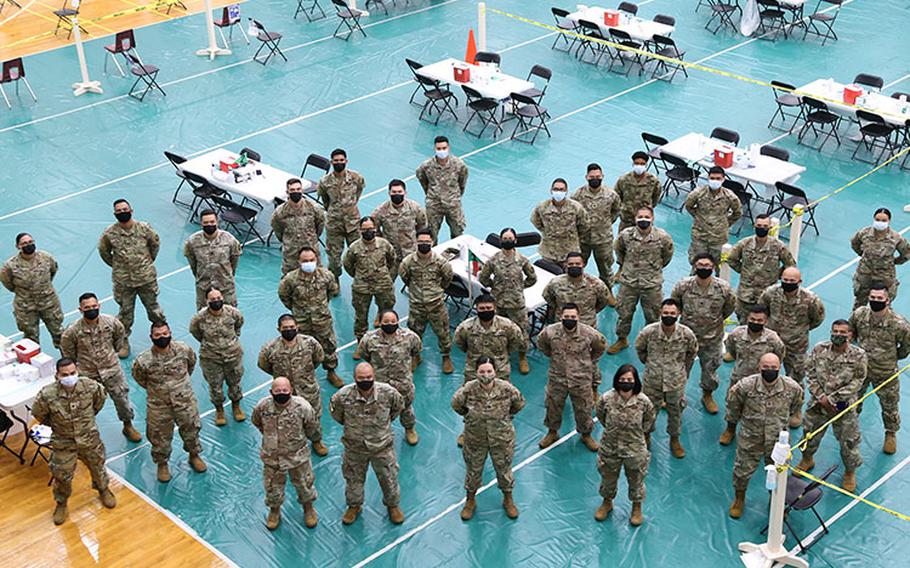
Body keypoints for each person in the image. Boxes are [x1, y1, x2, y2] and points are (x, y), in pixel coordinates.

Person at [31, 358, 116, 525]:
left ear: (77, 371)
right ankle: (61, 503)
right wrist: (59, 425)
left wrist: (86, 421)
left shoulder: (90, 386)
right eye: (65, 375)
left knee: (98, 466)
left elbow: (99, 402)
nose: (69, 377)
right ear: (57, 375)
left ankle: (103, 490)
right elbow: (39, 414)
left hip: (89, 438)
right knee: (61, 475)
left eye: (72, 373)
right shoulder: (47, 394)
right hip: (64, 442)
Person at [726, 353, 803, 519]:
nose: (770, 371)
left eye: (774, 368)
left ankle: (776, 501)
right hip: (750, 437)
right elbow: (733, 405)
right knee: (742, 471)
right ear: (758, 367)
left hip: (778, 441)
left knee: (780, 473)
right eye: (766, 367)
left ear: (780, 367)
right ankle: (739, 499)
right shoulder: (745, 386)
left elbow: (796, 406)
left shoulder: (792, 387)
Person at [330, 362, 406, 525]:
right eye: (361, 378)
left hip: (382, 447)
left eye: (369, 377)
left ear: (374, 377)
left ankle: (393, 505)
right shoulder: (342, 396)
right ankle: (354, 506)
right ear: (354, 379)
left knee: (389, 478)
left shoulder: (388, 393)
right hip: (355, 448)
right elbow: (337, 415)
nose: (365, 380)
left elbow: (397, 408)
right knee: (353, 479)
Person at [451, 357, 526, 520]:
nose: (486, 375)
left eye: (489, 371)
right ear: (476, 372)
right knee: (473, 470)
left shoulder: (507, 389)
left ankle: (508, 500)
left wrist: (504, 418)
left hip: (501, 438)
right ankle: (470, 501)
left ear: (495, 372)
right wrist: (470, 418)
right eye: (482, 371)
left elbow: (519, 404)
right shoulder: (468, 390)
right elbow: (456, 404)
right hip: (475, 439)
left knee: (504, 470)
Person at [796, 320, 866, 492]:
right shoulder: (820, 349)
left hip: (844, 405)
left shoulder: (858, 355)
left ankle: (850, 472)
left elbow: (858, 381)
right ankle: (807, 459)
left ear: (850, 335)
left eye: (843, 332)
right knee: (809, 434)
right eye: (835, 331)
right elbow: (810, 373)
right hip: (818, 403)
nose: (838, 335)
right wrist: (821, 397)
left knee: (849, 441)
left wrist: (833, 399)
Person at [60, 292, 141, 442]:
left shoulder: (111, 323)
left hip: (111, 369)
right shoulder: (72, 331)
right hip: (88, 374)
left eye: (94, 306)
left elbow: (119, 339)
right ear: (80, 309)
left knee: (122, 399)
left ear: (99, 306)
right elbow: (68, 353)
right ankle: (88, 432)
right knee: (86, 405)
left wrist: (111, 355)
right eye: (87, 307)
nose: (91, 309)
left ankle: (128, 426)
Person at [132, 321, 206, 483]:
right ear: (151, 337)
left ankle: (194, 455)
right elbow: (140, 378)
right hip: (159, 406)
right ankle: (162, 464)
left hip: (185, 401)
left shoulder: (183, 350)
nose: (162, 337)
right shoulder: (143, 360)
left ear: (170, 333)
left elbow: (191, 365)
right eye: (157, 335)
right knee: (159, 436)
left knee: (191, 429)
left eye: (165, 334)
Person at [98, 199, 166, 358]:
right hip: (124, 281)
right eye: (119, 211)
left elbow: (155, 245)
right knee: (125, 313)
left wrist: (146, 262)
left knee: (154, 310)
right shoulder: (109, 233)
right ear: (115, 214)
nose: (123, 212)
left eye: (125, 209)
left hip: (146, 279)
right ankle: (123, 342)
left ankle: (161, 335)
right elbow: (104, 252)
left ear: (131, 210)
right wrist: (118, 267)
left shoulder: (144, 228)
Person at [758, 266, 825, 427]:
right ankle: (760, 405)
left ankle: (795, 409)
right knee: (764, 373)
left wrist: (799, 331)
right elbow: (762, 310)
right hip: (772, 343)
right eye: (785, 280)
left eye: (792, 281)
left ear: (799, 282)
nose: (787, 283)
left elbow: (817, 319)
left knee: (796, 378)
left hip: (796, 346)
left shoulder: (811, 300)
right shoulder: (771, 293)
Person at [251, 376, 321, 530]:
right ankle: (274, 511)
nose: (281, 393)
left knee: (305, 484)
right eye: (277, 391)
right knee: (272, 488)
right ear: (271, 392)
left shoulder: (303, 407)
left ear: (291, 391)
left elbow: (311, 426)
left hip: (298, 456)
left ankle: (308, 509)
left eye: (284, 390)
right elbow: (257, 422)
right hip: (272, 457)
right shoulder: (263, 407)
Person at [671, 253, 735, 414]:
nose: (704, 268)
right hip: (687, 338)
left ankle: (707, 395)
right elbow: (675, 305)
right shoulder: (683, 286)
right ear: (694, 266)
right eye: (700, 265)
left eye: (707, 266)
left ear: (713, 268)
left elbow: (728, 308)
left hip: (712, 339)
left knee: (710, 371)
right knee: (680, 369)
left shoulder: (723, 289)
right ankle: (676, 396)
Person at [537, 303, 607, 452]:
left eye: (573, 317)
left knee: (583, 408)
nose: (569, 319)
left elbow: (600, 347)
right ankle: (552, 432)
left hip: (581, 378)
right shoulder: (550, 332)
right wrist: (554, 357)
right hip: (557, 377)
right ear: (561, 316)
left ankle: (586, 434)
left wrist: (587, 361)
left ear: (578, 317)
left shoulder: (589, 333)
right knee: (553, 406)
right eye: (566, 317)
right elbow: (542, 344)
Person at [849, 284, 910, 454]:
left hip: (885, 371)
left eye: (879, 299)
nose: (875, 301)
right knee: (852, 400)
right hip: (860, 369)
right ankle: (851, 428)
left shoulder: (898, 324)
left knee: (889, 404)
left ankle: (890, 433)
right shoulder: (860, 314)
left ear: (887, 300)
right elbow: (851, 332)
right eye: (873, 298)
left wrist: (892, 358)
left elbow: (906, 346)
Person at [258, 314, 329, 457]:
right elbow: (263, 364)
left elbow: (318, 358)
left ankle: (316, 441)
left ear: (297, 327)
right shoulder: (270, 348)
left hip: (308, 390)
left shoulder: (310, 343)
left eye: (291, 327)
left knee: (313, 418)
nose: (289, 330)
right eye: (285, 328)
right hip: (284, 393)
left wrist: (305, 376)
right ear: (279, 329)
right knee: (286, 421)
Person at [635, 298, 697, 459]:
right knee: (648, 410)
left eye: (672, 313)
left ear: (679, 314)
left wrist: (682, 371)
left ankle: (674, 439)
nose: (668, 316)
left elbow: (691, 353)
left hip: (675, 381)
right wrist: (651, 365)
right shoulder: (648, 332)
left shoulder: (686, 334)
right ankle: (646, 435)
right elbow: (640, 350)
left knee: (675, 411)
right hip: (652, 380)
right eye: (665, 313)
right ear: (660, 313)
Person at [594, 364, 656, 526]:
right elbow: (601, 415)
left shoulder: (643, 402)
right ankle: (607, 503)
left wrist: (635, 435)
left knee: (636, 479)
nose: (626, 382)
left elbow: (649, 421)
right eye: (622, 379)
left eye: (629, 379)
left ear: (635, 382)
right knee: (608, 478)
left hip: (634, 449)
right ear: (616, 380)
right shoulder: (607, 398)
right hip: (610, 447)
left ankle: (636, 508)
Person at [610, 206, 674, 354]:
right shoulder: (626, 235)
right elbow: (619, 251)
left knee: (653, 315)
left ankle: (651, 343)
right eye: (640, 217)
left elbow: (667, 256)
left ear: (652, 219)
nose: (643, 220)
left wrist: (653, 270)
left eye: (647, 217)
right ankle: (622, 340)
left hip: (651, 284)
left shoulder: (663, 237)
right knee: (624, 313)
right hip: (629, 282)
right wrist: (627, 267)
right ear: (635, 218)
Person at [277, 246, 344, 388]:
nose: (309, 263)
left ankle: (331, 371)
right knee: (302, 350)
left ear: (317, 259)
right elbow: (284, 295)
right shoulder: (290, 279)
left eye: (311, 260)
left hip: (322, 319)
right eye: (305, 260)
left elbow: (332, 291)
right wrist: (296, 310)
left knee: (329, 345)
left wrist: (321, 307)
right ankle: (307, 376)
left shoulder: (327, 276)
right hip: (301, 322)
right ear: (299, 262)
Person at [719, 306, 786, 445]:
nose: (755, 322)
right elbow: (731, 349)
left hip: (763, 382)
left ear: (766, 321)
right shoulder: (737, 334)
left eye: (759, 320)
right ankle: (730, 430)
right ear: (747, 319)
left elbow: (778, 356)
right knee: (733, 405)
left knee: (761, 409)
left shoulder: (773, 339)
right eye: (752, 319)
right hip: (739, 378)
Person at [358, 309, 423, 445]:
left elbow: (416, 350)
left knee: (406, 408)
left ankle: (409, 429)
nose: (390, 324)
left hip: (402, 382)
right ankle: (382, 433)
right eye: (386, 321)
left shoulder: (409, 337)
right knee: (379, 410)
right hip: (380, 385)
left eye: (393, 321)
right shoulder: (369, 339)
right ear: (380, 322)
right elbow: (365, 355)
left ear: (398, 322)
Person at [478, 228, 536, 373]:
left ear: (515, 241)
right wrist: (495, 287)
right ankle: (499, 356)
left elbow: (532, 278)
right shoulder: (494, 259)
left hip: (516, 303)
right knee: (497, 331)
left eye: (510, 238)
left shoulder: (522, 260)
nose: (507, 241)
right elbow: (483, 278)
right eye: (505, 238)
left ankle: (522, 357)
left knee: (521, 331)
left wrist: (520, 287)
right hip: (498, 302)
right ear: (500, 240)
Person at [398, 228, 454, 374]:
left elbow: (447, 279)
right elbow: (405, 277)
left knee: (443, 333)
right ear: (416, 242)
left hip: (436, 304)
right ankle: (416, 356)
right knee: (414, 333)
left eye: (427, 242)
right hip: (416, 305)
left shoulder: (441, 262)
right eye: (421, 242)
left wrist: (436, 291)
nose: (424, 244)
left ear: (432, 242)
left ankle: (446, 357)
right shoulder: (408, 262)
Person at [188, 287, 245, 425]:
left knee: (235, 383)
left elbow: (239, 324)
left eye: (218, 298)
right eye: (213, 299)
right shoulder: (199, 318)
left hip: (233, 355)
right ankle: (219, 410)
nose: (216, 301)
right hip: (211, 358)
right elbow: (195, 331)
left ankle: (236, 406)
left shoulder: (233, 313)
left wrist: (234, 338)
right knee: (215, 386)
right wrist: (208, 344)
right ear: (207, 301)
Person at [726, 214, 795, 324]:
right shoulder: (744, 244)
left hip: (768, 296)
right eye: (759, 225)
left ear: (770, 227)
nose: (761, 228)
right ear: (754, 226)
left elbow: (790, 265)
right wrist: (744, 271)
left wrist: (777, 275)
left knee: (767, 328)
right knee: (743, 326)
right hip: (746, 296)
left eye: (765, 226)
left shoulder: (778, 246)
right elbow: (731, 259)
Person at [0, 233, 64, 348]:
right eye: (24, 243)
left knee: (59, 333)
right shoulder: (10, 266)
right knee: (30, 339)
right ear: (18, 246)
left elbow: (52, 271)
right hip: (26, 307)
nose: (28, 245)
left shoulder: (46, 257)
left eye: (30, 242)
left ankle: (68, 363)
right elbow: (7, 283)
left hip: (49, 303)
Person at [344, 216, 397, 350]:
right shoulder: (354, 248)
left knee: (387, 313)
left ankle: (387, 340)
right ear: (360, 230)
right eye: (365, 229)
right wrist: (359, 277)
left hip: (383, 285)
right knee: (361, 318)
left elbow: (392, 260)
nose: (368, 231)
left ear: (376, 229)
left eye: (371, 229)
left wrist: (383, 274)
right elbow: (348, 265)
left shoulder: (384, 244)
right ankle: (361, 345)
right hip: (362, 288)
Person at [454, 294, 527, 385]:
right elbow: (459, 342)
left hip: (500, 369)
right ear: (476, 309)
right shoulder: (465, 327)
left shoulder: (507, 325)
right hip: (474, 370)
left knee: (502, 395)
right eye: (482, 308)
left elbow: (516, 340)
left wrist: (504, 353)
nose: (486, 310)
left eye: (489, 308)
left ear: (494, 308)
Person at [572, 163, 621, 293]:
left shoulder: (611, 195)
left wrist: (604, 224)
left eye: (598, 176)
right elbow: (573, 214)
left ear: (602, 176)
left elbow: (615, 211)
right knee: (576, 266)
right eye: (592, 176)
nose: (595, 179)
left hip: (603, 240)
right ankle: (575, 290)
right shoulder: (578, 195)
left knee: (605, 269)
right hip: (583, 240)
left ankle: (607, 293)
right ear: (586, 177)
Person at [317, 149, 365, 278]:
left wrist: (350, 206)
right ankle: (334, 280)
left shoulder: (356, 178)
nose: (339, 163)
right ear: (331, 162)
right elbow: (325, 201)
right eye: (336, 161)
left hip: (353, 224)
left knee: (360, 254)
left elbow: (358, 193)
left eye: (341, 160)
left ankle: (360, 279)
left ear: (346, 161)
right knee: (334, 258)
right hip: (334, 225)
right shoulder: (324, 181)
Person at [850, 207, 910, 310]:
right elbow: (854, 243)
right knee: (859, 304)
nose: (880, 222)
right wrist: (862, 254)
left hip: (885, 277)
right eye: (877, 220)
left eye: (883, 220)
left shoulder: (895, 238)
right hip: (865, 274)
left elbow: (906, 253)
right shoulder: (864, 233)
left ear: (889, 221)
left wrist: (894, 262)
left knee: (884, 305)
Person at [683, 166, 741, 269]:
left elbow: (737, 213)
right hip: (700, 236)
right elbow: (689, 206)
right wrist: (699, 218)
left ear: (723, 179)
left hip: (719, 238)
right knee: (697, 265)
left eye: (718, 178)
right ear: (708, 178)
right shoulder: (697, 193)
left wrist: (725, 224)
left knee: (719, 266)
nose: (715, 181)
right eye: (712, 178)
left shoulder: (730, 196)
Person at [183, 209, 242, 310]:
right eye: (205, 222)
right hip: (203, 287)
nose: (209, 224)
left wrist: (227, 275)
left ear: (217, 222)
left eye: (212, 222)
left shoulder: (229, 240)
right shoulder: (192, 242)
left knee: (230, 316)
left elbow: (234, 260)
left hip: (226, 287)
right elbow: (193, 264)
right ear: (201, 223)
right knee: (203, 318)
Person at [415, 136, 469, 241]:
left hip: (453, 204)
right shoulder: (426, 166)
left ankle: (455, 253)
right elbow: (422, 178)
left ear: (448, 148)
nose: (442, 151)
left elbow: (462, 183)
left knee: (457, 232)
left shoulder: (459, 165)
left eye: (444, 148)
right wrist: (430, 193)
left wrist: (455, 195)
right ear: (435, 149)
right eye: (439, 149)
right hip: (434, 205)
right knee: (431, 234)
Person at [372, 178, 428, 280]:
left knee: (416, 282)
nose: (397, 194)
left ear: (405, 192)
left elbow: (422, 228)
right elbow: (374, 230)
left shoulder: (415, 208)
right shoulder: (380, 211)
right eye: (394, 192)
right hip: (391, 255)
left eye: (399, 192)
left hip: (411, 253)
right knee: (386, 283)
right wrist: (383, 245)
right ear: (389, 193)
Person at [270, 178, 326, 276]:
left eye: (298, 189)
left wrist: (312, 238)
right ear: (287, 192)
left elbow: (320, 225)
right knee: (290, 283)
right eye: (292, 190)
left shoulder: (314, 208)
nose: (296, 192)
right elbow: (278, 231)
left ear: (302, 190)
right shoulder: (280, 212)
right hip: (291, 255)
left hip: (311, 253)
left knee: (316, 280)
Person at [542, 252, 612, 328]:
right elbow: (548, 297)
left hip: (587, 326)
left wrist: (589, 312)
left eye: (577, 264)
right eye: (571, 264)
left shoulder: (596, 284)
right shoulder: (555, 283)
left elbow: (604, 300)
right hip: (562, 326)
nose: (574, 266)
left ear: (583, 265)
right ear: (566, 265)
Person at [530, 177, 588, 268]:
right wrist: (547, 232)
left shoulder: (576, 207)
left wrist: (572, 236)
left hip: (570, 253)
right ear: (551, 190)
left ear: (566, 191)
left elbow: (584, 225)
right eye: (556, 189)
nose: (558, 192)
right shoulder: (542, 207)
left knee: (569, 278)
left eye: (561, 190)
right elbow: (535, 220)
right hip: (548, 252)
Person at [614, 151, 662, 232]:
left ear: (646, 165)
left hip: (645, 220)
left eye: (642, 164)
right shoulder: (624, 179)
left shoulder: (653, 181)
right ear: (633, 164)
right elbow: (616, 196)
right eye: (637, 163)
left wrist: (647, 208)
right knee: (623, 242)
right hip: (627, 219)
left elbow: (656, 197)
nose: (639, 166)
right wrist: (624, 208)